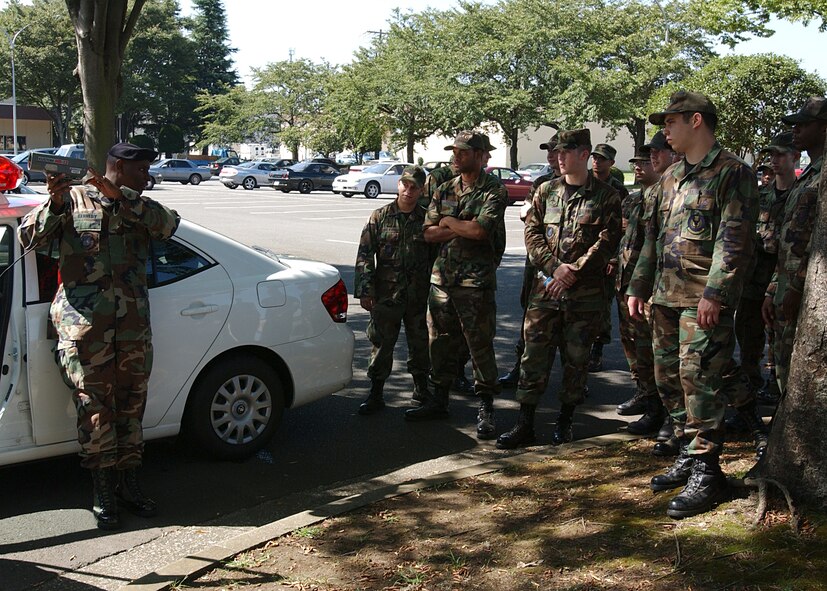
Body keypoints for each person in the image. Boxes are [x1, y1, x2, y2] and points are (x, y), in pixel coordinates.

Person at [17, 143, 180, 530]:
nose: (147, 176)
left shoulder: (138, 204)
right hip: (85, 329)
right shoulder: (71, 200)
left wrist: (122, 198)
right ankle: (103, 489)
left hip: (133, 329)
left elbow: (169, 226)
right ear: (119, 166)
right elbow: (29, 240)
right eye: (140, 169)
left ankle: (129, 483)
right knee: (94, 410)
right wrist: (53, 202)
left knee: (131, 407)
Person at [627, 91, 758, 519]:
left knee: (697, 376)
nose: (664, 130)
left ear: (696, 120)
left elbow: (733, 241)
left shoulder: (733, 172)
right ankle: (688, 451)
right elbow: (652, 237)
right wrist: (638, 286)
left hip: (702, 298)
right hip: (665, 295)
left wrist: (715, 293)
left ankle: (708, 471)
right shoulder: (671, 176)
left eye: (670, 121)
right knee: (667, 377)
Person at [496, 129, 622, 449]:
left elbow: (606, 242)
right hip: (545, 290)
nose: (559, 157)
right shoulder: (545, 191)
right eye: (557, 151)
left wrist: (574, 272)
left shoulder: (607, 196)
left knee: (576, 360)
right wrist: (555, 269)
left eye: (566, 151)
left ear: (584, 154)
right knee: (533, 357)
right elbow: (532, 234)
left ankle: (565, 421)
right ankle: (525, 423)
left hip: (584, 295)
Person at [405, 131, 507, 441]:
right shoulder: (445, 188)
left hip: (475, 282)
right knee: (440, 341)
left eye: (463, 152)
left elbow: (479, 230)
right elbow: (428, 232)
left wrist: (448, 223)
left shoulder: (494, 190)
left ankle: (487, 406)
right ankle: (439, 400)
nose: (456, 156)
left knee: (479, 344)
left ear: (479, 155)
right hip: (443, 280)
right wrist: (455, 226)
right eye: (455, 151)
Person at [762, 97, 826, 400]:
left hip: (808, 294)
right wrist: (774, 288)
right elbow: (790, 240)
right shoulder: (810, 176)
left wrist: (796, 287)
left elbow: (819, 242)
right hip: (787, 290)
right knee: (784, 370)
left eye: (804, 124)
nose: (795, 129)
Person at [354, 166, 432, 414]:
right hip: (387, 294)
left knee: (420, 343)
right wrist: (366, 290)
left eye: (414, 187)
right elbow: (365, 256)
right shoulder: (379, 216)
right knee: (381, 343)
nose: (408, 191)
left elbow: (436, 256)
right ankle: (376, 392)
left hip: (418, 295)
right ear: (399, 184)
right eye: (405, 185)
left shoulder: (428, 219)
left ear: (421, 190)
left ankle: (421, 389)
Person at [732, 132, 798, 407]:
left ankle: (781, 396)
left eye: (781, 155)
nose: (775, 161)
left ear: (795, 156)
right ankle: (748, 403)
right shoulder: (760, 197)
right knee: (747, 343)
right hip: (752, 284)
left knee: (783, 347)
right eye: (772, 155)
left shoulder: (802, 196)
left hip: (783, 285)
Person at [499, 133, 561, 387]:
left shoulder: (588, 186)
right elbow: (526, 215)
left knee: (572, 325)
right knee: (530, 318)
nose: (550, 156)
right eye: (548, 151)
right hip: (537, 264)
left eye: (555, 150)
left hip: (570, 268)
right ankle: (521, 368)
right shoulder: (541, 184)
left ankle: (574, 378)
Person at [615, 148, 665, 437]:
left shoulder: (663, 196)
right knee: (632, 344)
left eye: (645, 162)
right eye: (635, 163)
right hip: (626, 283)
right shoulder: (633, 200)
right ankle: (644, 393)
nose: (639, 167)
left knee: (651, 349)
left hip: (648, 287)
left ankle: (658, 407)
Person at [588, 143, 629, 372]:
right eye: (595, 157)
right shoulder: (585, 184)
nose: (597, 162)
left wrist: (613, 259)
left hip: (605, 257)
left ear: (611, 163)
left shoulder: (618, 191)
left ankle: (597, 349)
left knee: (602, 305)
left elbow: (619, 229)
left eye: (602, 159)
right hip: (584, 254)